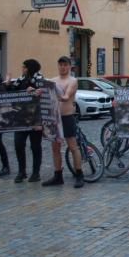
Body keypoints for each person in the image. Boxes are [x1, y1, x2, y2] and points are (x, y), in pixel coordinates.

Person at [41, 56, 85, 188]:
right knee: (55, 147)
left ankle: (79, 174)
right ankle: (58, 175)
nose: (63, 67)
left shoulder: (72, 80)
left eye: (65, 65)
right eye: (60, 65)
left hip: (67, 117)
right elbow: (45, 94)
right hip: (54, 118)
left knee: (72, 146)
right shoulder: (53, 80)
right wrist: (37, 91)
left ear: (70, 66)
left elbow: (66, 96)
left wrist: (59, 95)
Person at [5, 59, 45, 183]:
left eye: (24, 67)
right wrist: (7, 84)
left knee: (35, 146)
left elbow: (43, 93)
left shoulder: (39, 78)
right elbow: (13, 90)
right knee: (18, 144)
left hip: (35, 117)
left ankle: (36, 172)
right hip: (21, 118)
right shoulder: (21, 78)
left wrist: (33, 91)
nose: (22, 69)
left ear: (30, 67)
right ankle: (21, 171)